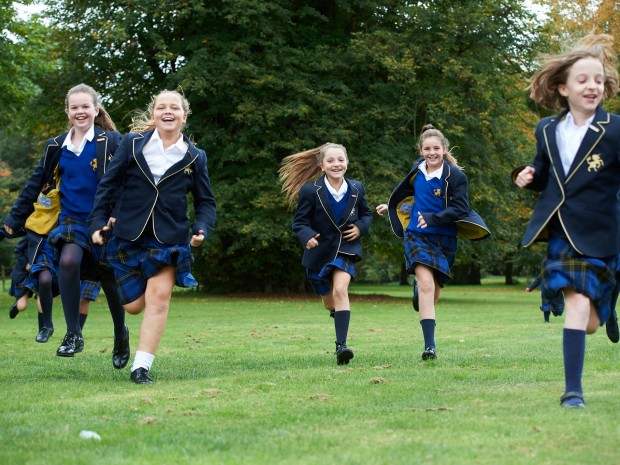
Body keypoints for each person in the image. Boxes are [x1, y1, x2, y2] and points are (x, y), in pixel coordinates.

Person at [512, 34, 620, 408]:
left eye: (599, 80)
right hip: (560, 231)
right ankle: (573, 392)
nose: (593, 86)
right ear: (563, 87)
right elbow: (543, 172)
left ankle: (607, 302)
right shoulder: (546, 129)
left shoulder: (615, 129)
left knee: (590, 321)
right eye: (583, 80)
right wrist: (526, 176)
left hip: (603, 233)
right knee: (576, 306)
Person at [89, 89, 216, 384]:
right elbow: (108, 185)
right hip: (128, 235)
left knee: (159, 299)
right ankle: (125, 330)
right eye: (162, 107)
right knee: (133, 307)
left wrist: (202, 228)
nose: (168, 111)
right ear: (153, 114)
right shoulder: (132, 144)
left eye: (174, 107)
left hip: (169, 239)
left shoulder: (195, 157)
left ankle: (141, 367)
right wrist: (96, 222)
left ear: (184, 116)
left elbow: (206, 201)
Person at [3, 83, 130, 368]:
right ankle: (73, 334)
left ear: (96, 110)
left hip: (103, 222)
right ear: (68, 111)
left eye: (85, 106)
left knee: (109, 281)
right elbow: (34, 184)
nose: (80, 112)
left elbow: (126, 180)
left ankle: (121, 334)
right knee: (68, 261)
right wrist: (11, 222)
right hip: (71, 220)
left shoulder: (111, 141)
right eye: (74, 107)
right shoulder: (56, 146)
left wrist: (118, 214)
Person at [377, 124, 490, 361]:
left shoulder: (456, 176)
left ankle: (419, 290)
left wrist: (433, 218)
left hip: (445, 239)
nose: (432, 153)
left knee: (432, 293)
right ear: (421, 151)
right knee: (427, 285)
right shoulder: (416, 169)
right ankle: (430, 347)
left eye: (436, 148)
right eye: (427, 149)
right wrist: (392, 207)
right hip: (416, 235)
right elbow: (410, 195)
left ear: (444, 149)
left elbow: (460, 209)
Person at [280, 143, 372, 365]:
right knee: (330, 302)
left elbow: (366, 214)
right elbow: (299, 222)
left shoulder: (357, 188)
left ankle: (342, 346)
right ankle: (335, 312)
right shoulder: (310, 191)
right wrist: (307, 236)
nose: (336, 164)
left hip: (346, 249)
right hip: (319, 252)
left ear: (347, 162)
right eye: (330, 161)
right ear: (322, 166)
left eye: (340, 160)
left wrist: (360, 227)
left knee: (340, 290)